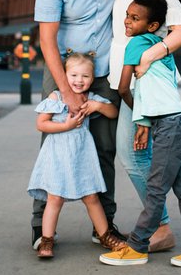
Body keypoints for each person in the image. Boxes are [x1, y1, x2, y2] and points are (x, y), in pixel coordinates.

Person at [94, 0, 181, 253]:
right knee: (152, 156)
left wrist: (149, 56)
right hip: (132, 84)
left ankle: (161, 227)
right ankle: (171, 226)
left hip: (148, 84)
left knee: (134, 155)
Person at [100, 0, 181, 268]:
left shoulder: (135, 44)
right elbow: (158, 90)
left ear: (152, 25)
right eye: (127, 15)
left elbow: (125, 88)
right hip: (178, 121)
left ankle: (137, 246)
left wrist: (139, 116)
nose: (127, 21)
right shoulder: (162, 47)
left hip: (168, 125)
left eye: (134, 18)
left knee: (155, 190)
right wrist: (145, 122)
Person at [32, 0, 123, 247]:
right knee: (53, 146)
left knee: (104, 148)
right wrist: (66, 92)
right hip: (66, 70)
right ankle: (41, 229)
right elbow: (46, 39)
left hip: (105, 70)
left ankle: (105, 228)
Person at [27, 53, 127, 259]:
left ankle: (105, 235)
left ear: (93, 78)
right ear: (64, 75)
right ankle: (47, 239)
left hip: (82, 155)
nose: (79, 80)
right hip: (58, 155)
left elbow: (113, 113)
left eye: (85, 76)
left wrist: (98, 106)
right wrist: (67, 125)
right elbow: (41, 124)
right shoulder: (56, 97)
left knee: (91, 196)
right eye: (74, 75)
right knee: (55, 198)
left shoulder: (90, 98)